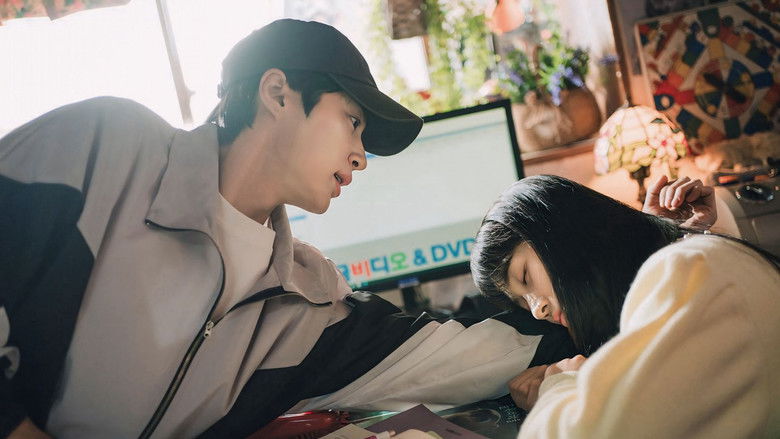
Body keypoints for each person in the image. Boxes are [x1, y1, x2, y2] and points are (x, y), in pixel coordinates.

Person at [0, 19, 580, 439]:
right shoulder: (104, 146)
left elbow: (468, 356)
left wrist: (587, 322)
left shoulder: (308, 298)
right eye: (352, 121)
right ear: (278, 92)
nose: (361, 157)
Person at [470, 174, 780, 438]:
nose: (538, 310)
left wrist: (557, 385)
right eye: (523, 302)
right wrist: (649, 239)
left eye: (526, 277)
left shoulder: (685, 271)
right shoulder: (676, 268)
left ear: (567, 232)